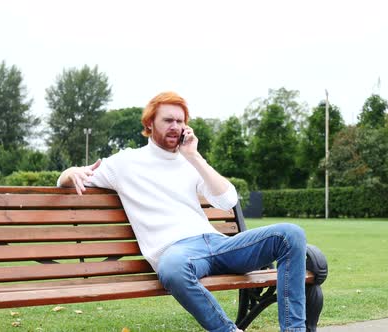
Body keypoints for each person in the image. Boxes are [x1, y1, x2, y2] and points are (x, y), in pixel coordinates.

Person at [57, 91, 307, 332]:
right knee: (173, 269)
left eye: (180, 121)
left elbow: (228, 200)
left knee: (290, 234)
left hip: (218, 246)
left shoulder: (190, 161)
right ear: (149, 124)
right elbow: (69, 179)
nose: (175, 126)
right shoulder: (125, 163)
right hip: (178, 253)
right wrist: (69, 173)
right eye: (168, 120)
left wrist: (195, 156)